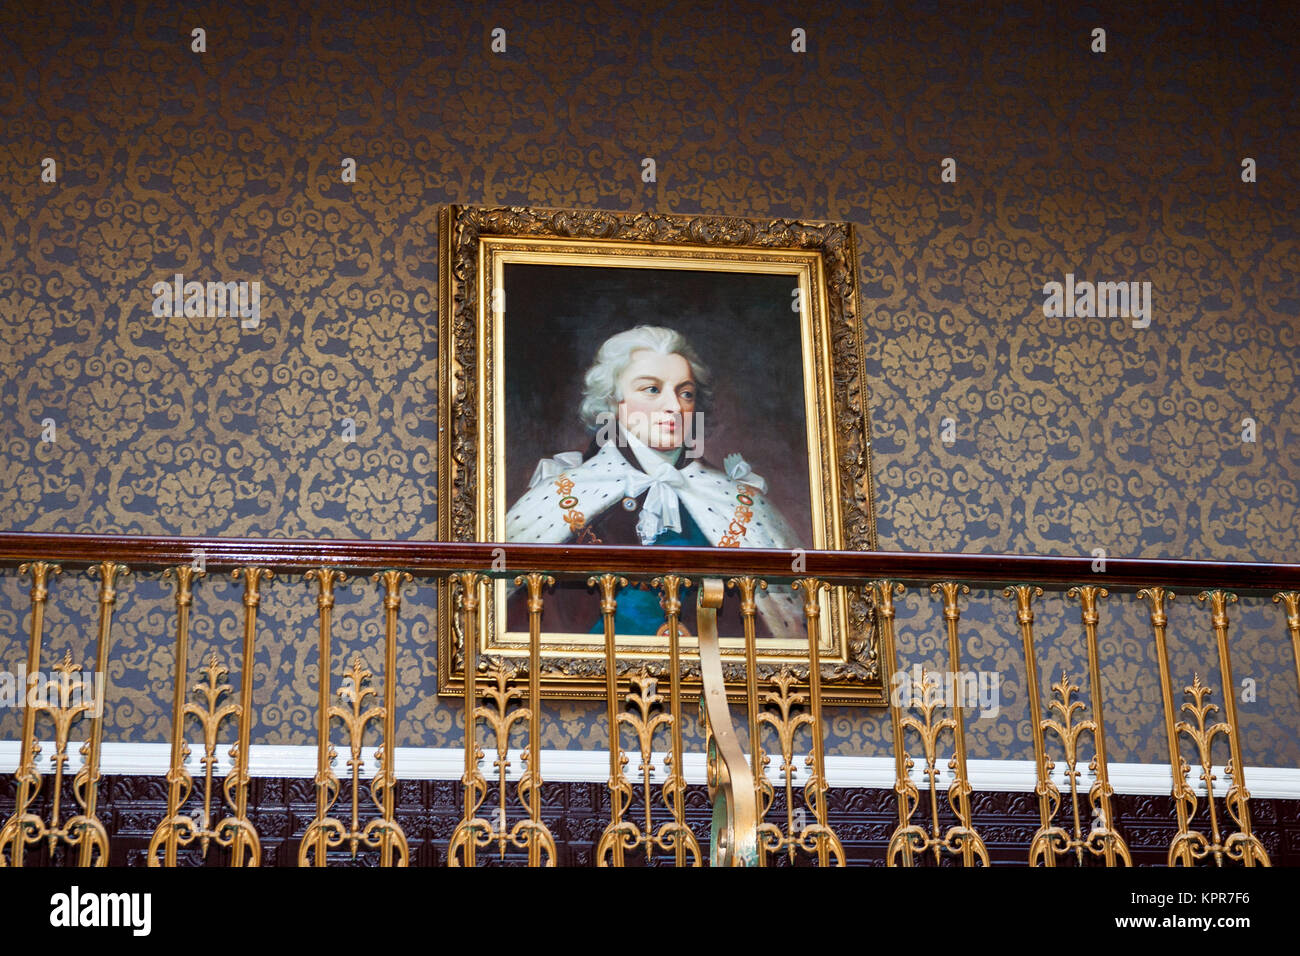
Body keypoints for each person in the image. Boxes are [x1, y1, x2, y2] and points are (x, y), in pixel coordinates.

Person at [505, 325, 806, 638]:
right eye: (651, 389)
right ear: (612, 403)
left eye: (685, 393)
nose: (674, 407)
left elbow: (786, 631)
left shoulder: (739, 503)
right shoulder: (561, 497)